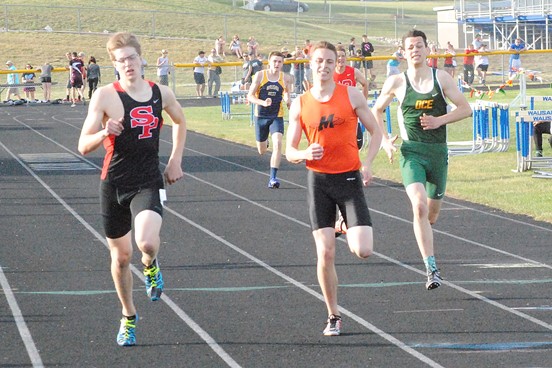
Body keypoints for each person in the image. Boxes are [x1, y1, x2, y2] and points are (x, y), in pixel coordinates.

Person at [77, 32, 187, 347]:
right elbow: (83, 144)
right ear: (114, 64)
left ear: (141, 59)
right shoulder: (104, 96)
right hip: (113, 183)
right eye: (120, 60)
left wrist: (175, 160)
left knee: (146, 243)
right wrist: (102, 133)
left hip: (147, 179)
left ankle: (151, 265)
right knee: (122, 257)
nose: (127, 64)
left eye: (131, 58)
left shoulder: (160, 93)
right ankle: (128, 315)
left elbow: (180, 122)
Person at [286, 41, 389, 336]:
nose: (324, 65)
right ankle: (333, 315)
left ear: (336, 64)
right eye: (319, 61)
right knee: (326, 254)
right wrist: (305, 154)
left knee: (364, 250)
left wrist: (367, 162)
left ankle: (344, 224)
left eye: (329, 61)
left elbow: (376, 130)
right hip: (318, 181)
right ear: (311, 64)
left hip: (348, 179)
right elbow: (290, 151)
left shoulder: (351, 94)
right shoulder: (300, 103)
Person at [372, 29, 472, 291]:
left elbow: (465, 109)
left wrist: (439, 120)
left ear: (428, 50)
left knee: (431, 215)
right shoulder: (396, 82)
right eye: (410, 47)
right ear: (403, 53)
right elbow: (377, 109)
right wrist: (384, 139)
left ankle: (423, 235)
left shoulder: (442, 78)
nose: (415, 50)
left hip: (437, 153)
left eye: (419, 45)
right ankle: (431, 268)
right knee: (418, 206)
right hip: (411, 152)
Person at [247, 51, 292, 188]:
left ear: (283, 63)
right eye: (275, 61)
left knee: (278, 144)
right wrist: (262, 102)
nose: (277, 64)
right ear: (269, 62)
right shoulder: (260, 75)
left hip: (276, 115)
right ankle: (264, 142)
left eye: (280, 62)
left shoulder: (285, 78)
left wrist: (288, 100)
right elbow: (249, 96)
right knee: (262, 151)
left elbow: (286, 93)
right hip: (261, 116)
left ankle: (273, 178)